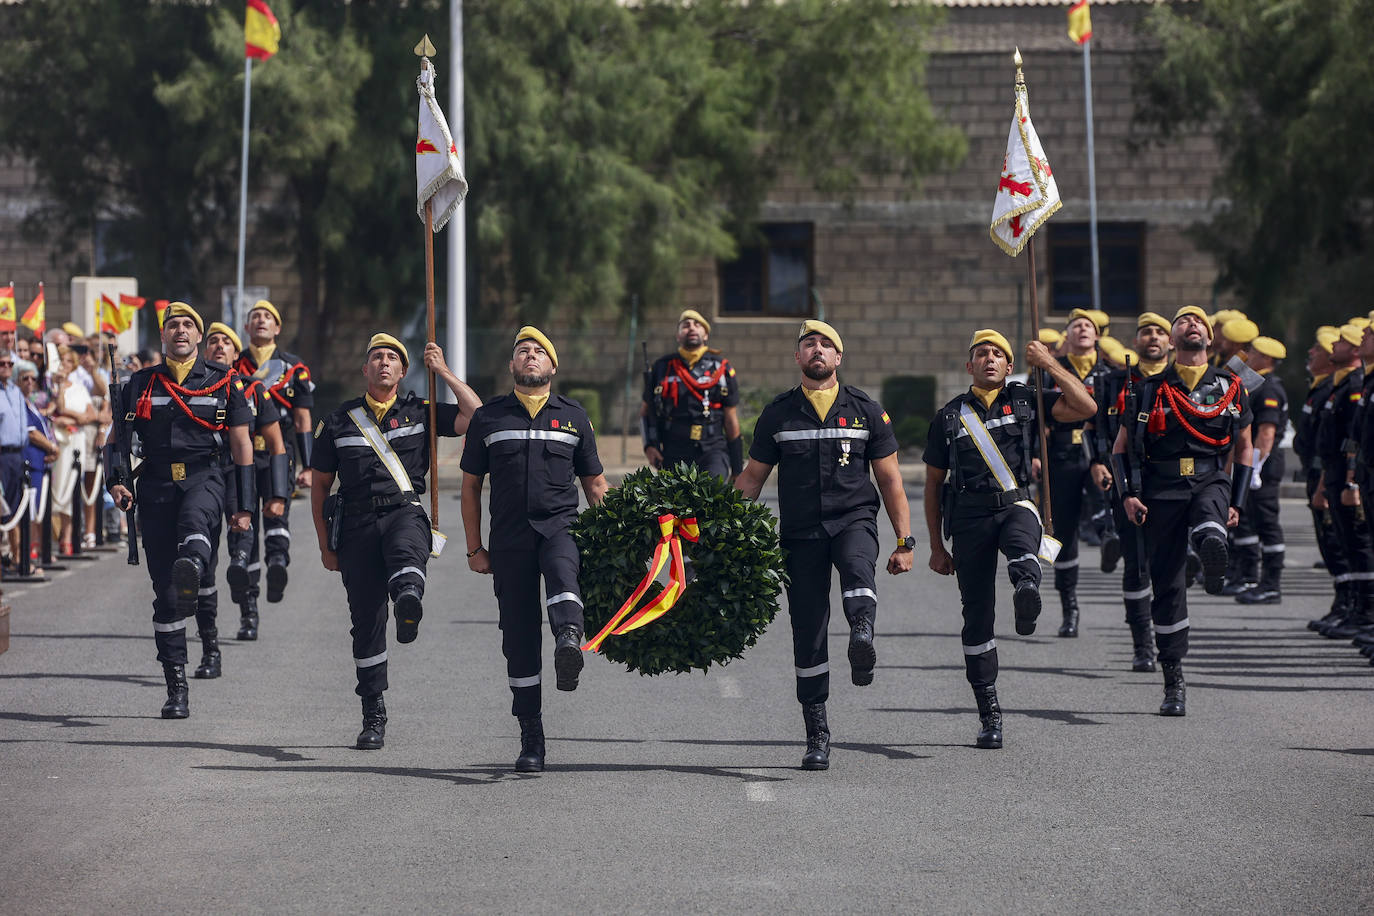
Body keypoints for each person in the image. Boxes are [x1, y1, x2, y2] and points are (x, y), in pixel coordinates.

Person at [734, 320, 912, 771]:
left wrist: (904, 540)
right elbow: (751, 480)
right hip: (800, 534)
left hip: (853, 520)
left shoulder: (866, 411)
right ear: (798, 358)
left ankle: (861, 633)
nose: (817, 349)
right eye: (808, 344)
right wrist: (722, 533)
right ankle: (817, 734)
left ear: (839, 358)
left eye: (826, 344)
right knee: (807, 632)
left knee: (858, 570)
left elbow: (890, 480)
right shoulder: (778, 414)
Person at [924, 330, 1095, 749]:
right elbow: (932, 485)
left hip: (1016, 501)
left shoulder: (1025, 399)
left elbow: (1086, 406)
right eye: (981, 354)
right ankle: (989, 712)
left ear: (1009, 365)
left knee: (1022, 540)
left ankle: (1026, 589)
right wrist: (934, 546)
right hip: (968, 515)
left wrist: (1050, 363)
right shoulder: (948, 417)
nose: (989, 359)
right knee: (977, 614)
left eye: (998, 354)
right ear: (969, 367)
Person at [312, 335, 481, 750]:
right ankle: (373, 712)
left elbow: (475, 416)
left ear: (404, 372)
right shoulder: (338, 421)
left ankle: (408, 599)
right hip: (355, 524)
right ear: (365, 371)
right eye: (376, 358)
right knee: (366, 622)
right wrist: (324, 545)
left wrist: (441, 371)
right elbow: (319, 487)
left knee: (407, 555)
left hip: (404, 512)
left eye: (392, 358)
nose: (384, 363)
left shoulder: (421, 412)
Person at [461, 327, 607, 772]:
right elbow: (469, 488)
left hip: (559, 527)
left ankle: (568, 639)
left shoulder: (574, 417)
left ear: (552, 367)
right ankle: (531, 736)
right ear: (511, 366)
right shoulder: (488, 419)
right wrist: (474, 549)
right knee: (519, 639)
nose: (530, 356)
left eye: (539, 352)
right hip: (508, 540)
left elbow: (595, 485)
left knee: (564, 576)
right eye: (522, 351)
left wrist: (617, 539)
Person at [107, 303, 258, 719]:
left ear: (198, 335)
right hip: (154, 487)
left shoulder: (224, 381)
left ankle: (206, 626)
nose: (180, 330)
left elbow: (242, 443)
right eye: (172, 325)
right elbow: (115, 439)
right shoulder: (139, 383)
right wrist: (116, 481)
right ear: (163, 336)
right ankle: (176, 685)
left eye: (188, 325)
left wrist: (243, 505)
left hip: (204, 479)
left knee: (195, 538)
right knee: (167, 595)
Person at [1115, 306, 1253, 717]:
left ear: (1210, 339)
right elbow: (1120, 448)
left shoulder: (1233, 385)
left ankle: (1211, 550)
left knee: (1210, 517)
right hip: (1161, 488)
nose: (1191, 324)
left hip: (1210, 477)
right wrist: (1127, 495)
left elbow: (1245, 448)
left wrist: (1238, 501)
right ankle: (1173, 678)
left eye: (1199, 322)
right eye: (1183, 322)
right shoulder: (1147, 389)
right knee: (1168, 586)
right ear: (1171, 341)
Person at [199, 322, 289, 671]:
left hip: (240, 471)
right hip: (203, 474)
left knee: (243, 542)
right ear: (204, 352)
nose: (219, 346)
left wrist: (279, 493)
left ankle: (248, 612)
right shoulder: (192, 388)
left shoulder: (252, 389)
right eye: (213, 342)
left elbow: (277, 443)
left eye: (227, 343)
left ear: (238, 355)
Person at [1089, 312, 1172, 671]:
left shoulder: (1181, 379)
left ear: (1170, 343)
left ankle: (1170, 637)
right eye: (1145, 332)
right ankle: (1142, 645)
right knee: (1136, 566)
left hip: (1172, 484)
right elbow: (1094, 427)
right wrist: (1097, 462)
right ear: (1135, 343)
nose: (1152, 337)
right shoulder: (1112, 381)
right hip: (1128, 479)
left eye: (1160, 332)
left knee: (1168, 566)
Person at [230, 300, 315, 606]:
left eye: (268, 316)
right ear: (246, 327)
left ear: (277, 328)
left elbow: (303, 419)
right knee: (244, 526)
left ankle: (278, 564)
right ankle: (248, 608)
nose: (261, 320)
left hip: (281, 453)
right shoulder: (233, 367)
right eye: (255, 316)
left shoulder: (295, 368)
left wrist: (308, 466)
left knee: (277, 515)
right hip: (243, 455)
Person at [1039, 308, 1114, 638]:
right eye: (1075, 326)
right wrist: (1033, 455)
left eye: (1089, 326)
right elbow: (1035, 417)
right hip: (1061, 456)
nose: (1082, 329)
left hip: (1099, 454)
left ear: (1097, 336)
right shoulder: (1048, 372)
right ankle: (1070, 608)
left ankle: (1107, 533)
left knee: (1104, 498)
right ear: (1066, 336)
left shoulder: (1109, 373)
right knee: (1063, 534)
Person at [1311, 323, 1374, 641]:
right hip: (1347, 474)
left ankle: (1365, 612)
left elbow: (1355, 435)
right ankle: (1356, 608)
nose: (1364, 338)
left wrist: (1351, 482)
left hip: (1352, 475)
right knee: (1351, 542)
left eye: (1369, 335)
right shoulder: (1353, 383)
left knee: (1359, 544)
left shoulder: (1356, 383)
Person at [641, 309, 742, 480]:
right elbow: (645, 412)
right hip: (673, 452)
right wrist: (649, 446)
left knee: (710, 496)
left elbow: (731, 419)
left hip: (713, 449)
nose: (692, 328)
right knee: (673, 505)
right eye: (685, 325)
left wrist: (738, 468)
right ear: (678, 336)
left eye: (697, 325)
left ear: (706, 335)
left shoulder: (721, 368)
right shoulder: (661, 367)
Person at [1298, 329, 1349, 631]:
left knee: (1344, 544)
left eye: (1319, 349)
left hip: (1333, 475)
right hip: (1320, 472)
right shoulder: (1326, 388)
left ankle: (1356, 608)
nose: (1313, 353)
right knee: (1332, 542)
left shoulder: (1346, 387)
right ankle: (1346, 603)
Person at [1233, 336, 1289, 604]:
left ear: (1267, 359)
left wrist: (1253, 469)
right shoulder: (1257, 384)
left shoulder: (1268, 389)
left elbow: (1266, 433)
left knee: (1267, 523)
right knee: (1255, 520)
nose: (1247, 356)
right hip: (1257, 464)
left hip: (1263, 466)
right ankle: (1255, 578)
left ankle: (1271, 584)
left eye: (1252, 352)